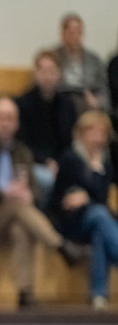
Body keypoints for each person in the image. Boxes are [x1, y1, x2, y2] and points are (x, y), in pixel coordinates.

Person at [0, 97, 83, 308]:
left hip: (13, 218)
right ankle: (59, 244)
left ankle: (25, 293)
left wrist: (29, 195)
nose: (4, 123)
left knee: (21, 227)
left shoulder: (22, 152)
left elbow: (34, 189)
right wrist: (3, 193)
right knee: (16, 205)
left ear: (16, 123)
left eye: (9, 118)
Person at [48, 110, 118, 310]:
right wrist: (89, 191)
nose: (98, 138)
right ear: (81, 133)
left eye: (102, 133)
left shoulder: (104, 162)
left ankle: (98, 296)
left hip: (93, 220)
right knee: (99, 215)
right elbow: (61, 201)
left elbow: (99, 197)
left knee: (100, 230)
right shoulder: (70, 158)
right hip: (69, 222)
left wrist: (88, 195)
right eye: (92, 132)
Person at [16, 50, 79, 206]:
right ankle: (47, 215)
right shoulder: (23, 103)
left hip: (62, 161)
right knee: (48, 179)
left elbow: (72, 139)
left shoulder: (67, 104)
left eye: (51, 71)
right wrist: (46, 161)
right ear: (35, 74)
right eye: (42, 71)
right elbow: (21, 143)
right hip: (32, 162)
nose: (47, 76)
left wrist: (62, 163)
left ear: (60, 74)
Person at [55, 13, 110, 115]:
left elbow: (103, 87)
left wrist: (98, 102)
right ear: (63, 34)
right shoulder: (53, 57)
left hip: (87, 102)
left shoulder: (94, 60)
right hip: (60, 102)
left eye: (78, 32)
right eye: (71, 33)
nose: (75, 37)